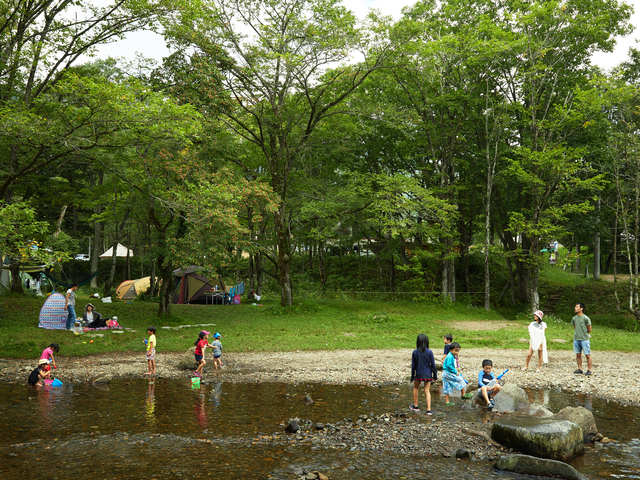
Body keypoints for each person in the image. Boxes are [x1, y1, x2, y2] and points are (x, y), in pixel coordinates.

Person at [409, 334, 437, 415]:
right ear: (427, 342)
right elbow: (433, 365)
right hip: (428, 374)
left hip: (418, 374)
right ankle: (429, 410)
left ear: (418, 342)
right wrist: (435, 375)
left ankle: (416, 406)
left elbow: (413, 366)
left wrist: (412, 376)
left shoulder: (415, 352)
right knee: (427, 390)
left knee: (415, 388)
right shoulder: (430, 352)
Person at [572, 303, 592, 375]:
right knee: (578, 354)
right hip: (576, 339)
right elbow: (575, 327)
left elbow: (589, 328)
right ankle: (580, 369)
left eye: (577, 307)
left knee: (587, 355)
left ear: (581, 308)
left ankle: (589, 370)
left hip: (584, 339)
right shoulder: (574, 318)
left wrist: (586, 334)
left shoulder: (586, 318)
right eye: (575, 307)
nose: (575, 308)